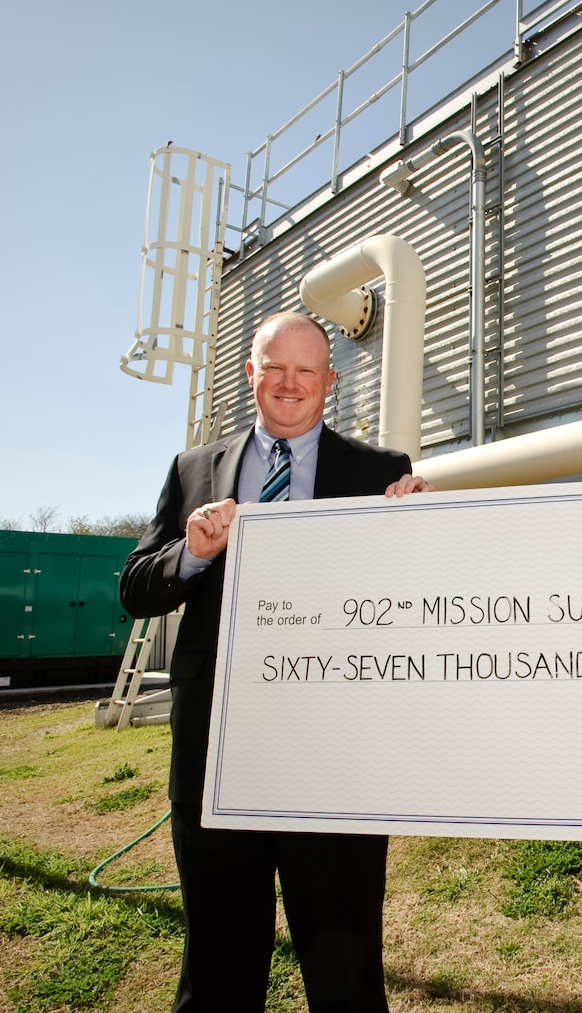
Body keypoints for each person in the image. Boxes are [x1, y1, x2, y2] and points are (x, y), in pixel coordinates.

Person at [121, 311, 430, 1012]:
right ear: (250, 372)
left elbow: (406, 604)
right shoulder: (193, 469)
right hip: (216, 754)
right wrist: (193, 553)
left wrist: (420, 538)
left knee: (344, 967)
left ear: (330, 381)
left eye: (306, 371)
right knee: (218, 962)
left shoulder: (381, 473)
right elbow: (136, 588)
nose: (290, 384)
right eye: (275, 367)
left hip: (335, 760)